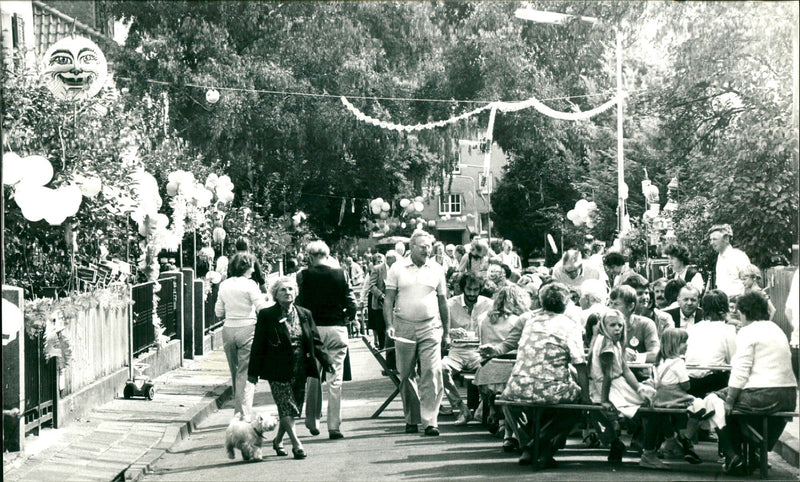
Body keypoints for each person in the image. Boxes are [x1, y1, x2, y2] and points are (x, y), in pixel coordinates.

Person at [501, 283, 589, 468]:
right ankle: (542, 446)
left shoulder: (531, 322)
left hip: (518, 387)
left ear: (541, 303)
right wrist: (586, 397)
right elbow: (580, 363)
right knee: (576, 404)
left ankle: (527, 446)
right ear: (566, 304)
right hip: (551, 390)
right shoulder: (570, 325)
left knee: (507, 400)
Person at [247, 277, 334, 460]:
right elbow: (258, 344)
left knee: (292, 410)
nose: (287, 292)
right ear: (275, 295)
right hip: (277, 369)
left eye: (290, 289)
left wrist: (327, 362)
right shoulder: (267, 315)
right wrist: (253, 372)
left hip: (300, 368)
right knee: (286, 406)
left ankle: (278, 441)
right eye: (283, 290)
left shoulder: (304, 314)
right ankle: (297, 444)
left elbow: (315, 342)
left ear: (296, 292)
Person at [713, 291, 797, 475]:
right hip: (788, 395)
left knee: (714, 402)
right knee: (728, 402)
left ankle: (732, 455)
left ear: (744, 312)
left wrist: (729, 399)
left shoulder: (747, 331)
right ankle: (756, 452)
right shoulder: (777, 329)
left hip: (762, 395)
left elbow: (740, 371)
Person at [384, 230, 450, 436]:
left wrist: (446, 332)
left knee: (432, 372)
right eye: (423, 246)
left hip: (430, 326)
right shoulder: (397, 268)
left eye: (429, 246)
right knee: (406, 374)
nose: (427, 250)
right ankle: (411, 418)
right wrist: (389, 325)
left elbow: (442, 301)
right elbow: (388, 299)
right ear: (412, 247)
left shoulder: (437, 269)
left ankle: (430, 421)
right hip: (404, 326)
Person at [296, 241, 357, 440]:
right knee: (335, 379)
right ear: (327, 255)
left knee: (313, 375)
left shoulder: (303, 275)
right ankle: (334, 426)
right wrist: (347, 316)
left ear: (311, 257)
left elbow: (300, 303)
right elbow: (351, 302)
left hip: (314, 330)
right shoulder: (341, 274)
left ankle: (312, 420)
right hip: (337, 328)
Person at [588, 309, 654, 463]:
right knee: (600, 408)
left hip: (615, 383)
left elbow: (625, 369)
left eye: (620, 325)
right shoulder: (605, 344)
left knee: (647, 399)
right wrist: (604, 399)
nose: (617, 328)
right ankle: (616, 441)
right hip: (606, 386)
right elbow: (608, 376)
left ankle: (640, 439)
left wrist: (639, 388)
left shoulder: (615, 342)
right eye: (612, 325)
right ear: (604, 326)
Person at [215, 252, 269, 419]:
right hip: (247, 328)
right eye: (251, 266)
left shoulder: (223, 285)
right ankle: (242, 415)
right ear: (246, 267)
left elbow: (218, 312)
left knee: (235, 372)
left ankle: (239, 413)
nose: (253, 270)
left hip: (228, 330)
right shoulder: (251, 285)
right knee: (245, 374)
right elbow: (261, 307)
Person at [442, 272, 493, 424]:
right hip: (456, 352)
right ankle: (461, 408)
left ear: (480, 289)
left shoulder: (488, 304)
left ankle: (481, 410)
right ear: (462, 288)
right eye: (469, 290)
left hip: (479, 352)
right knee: (439, 368)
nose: (472, 294)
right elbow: (438, 327)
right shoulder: (450, 304)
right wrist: (450, 331)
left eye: (475, 290)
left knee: (491, 370)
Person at [608, 285, 660, 366]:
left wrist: (636, 357)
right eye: (610, 303)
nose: (611, 308)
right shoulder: (604, 324)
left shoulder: (646, 324)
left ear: (631, 306)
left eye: (616, 304)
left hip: (640, 375)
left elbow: (656, 354)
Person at [708, 224, 750, 298]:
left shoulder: (739, 256)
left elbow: (749, 283)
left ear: (726, 239)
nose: (711, 243)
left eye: (714, 239)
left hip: (738, 303)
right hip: (723, 304)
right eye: (710, 240)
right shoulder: (719, 258)